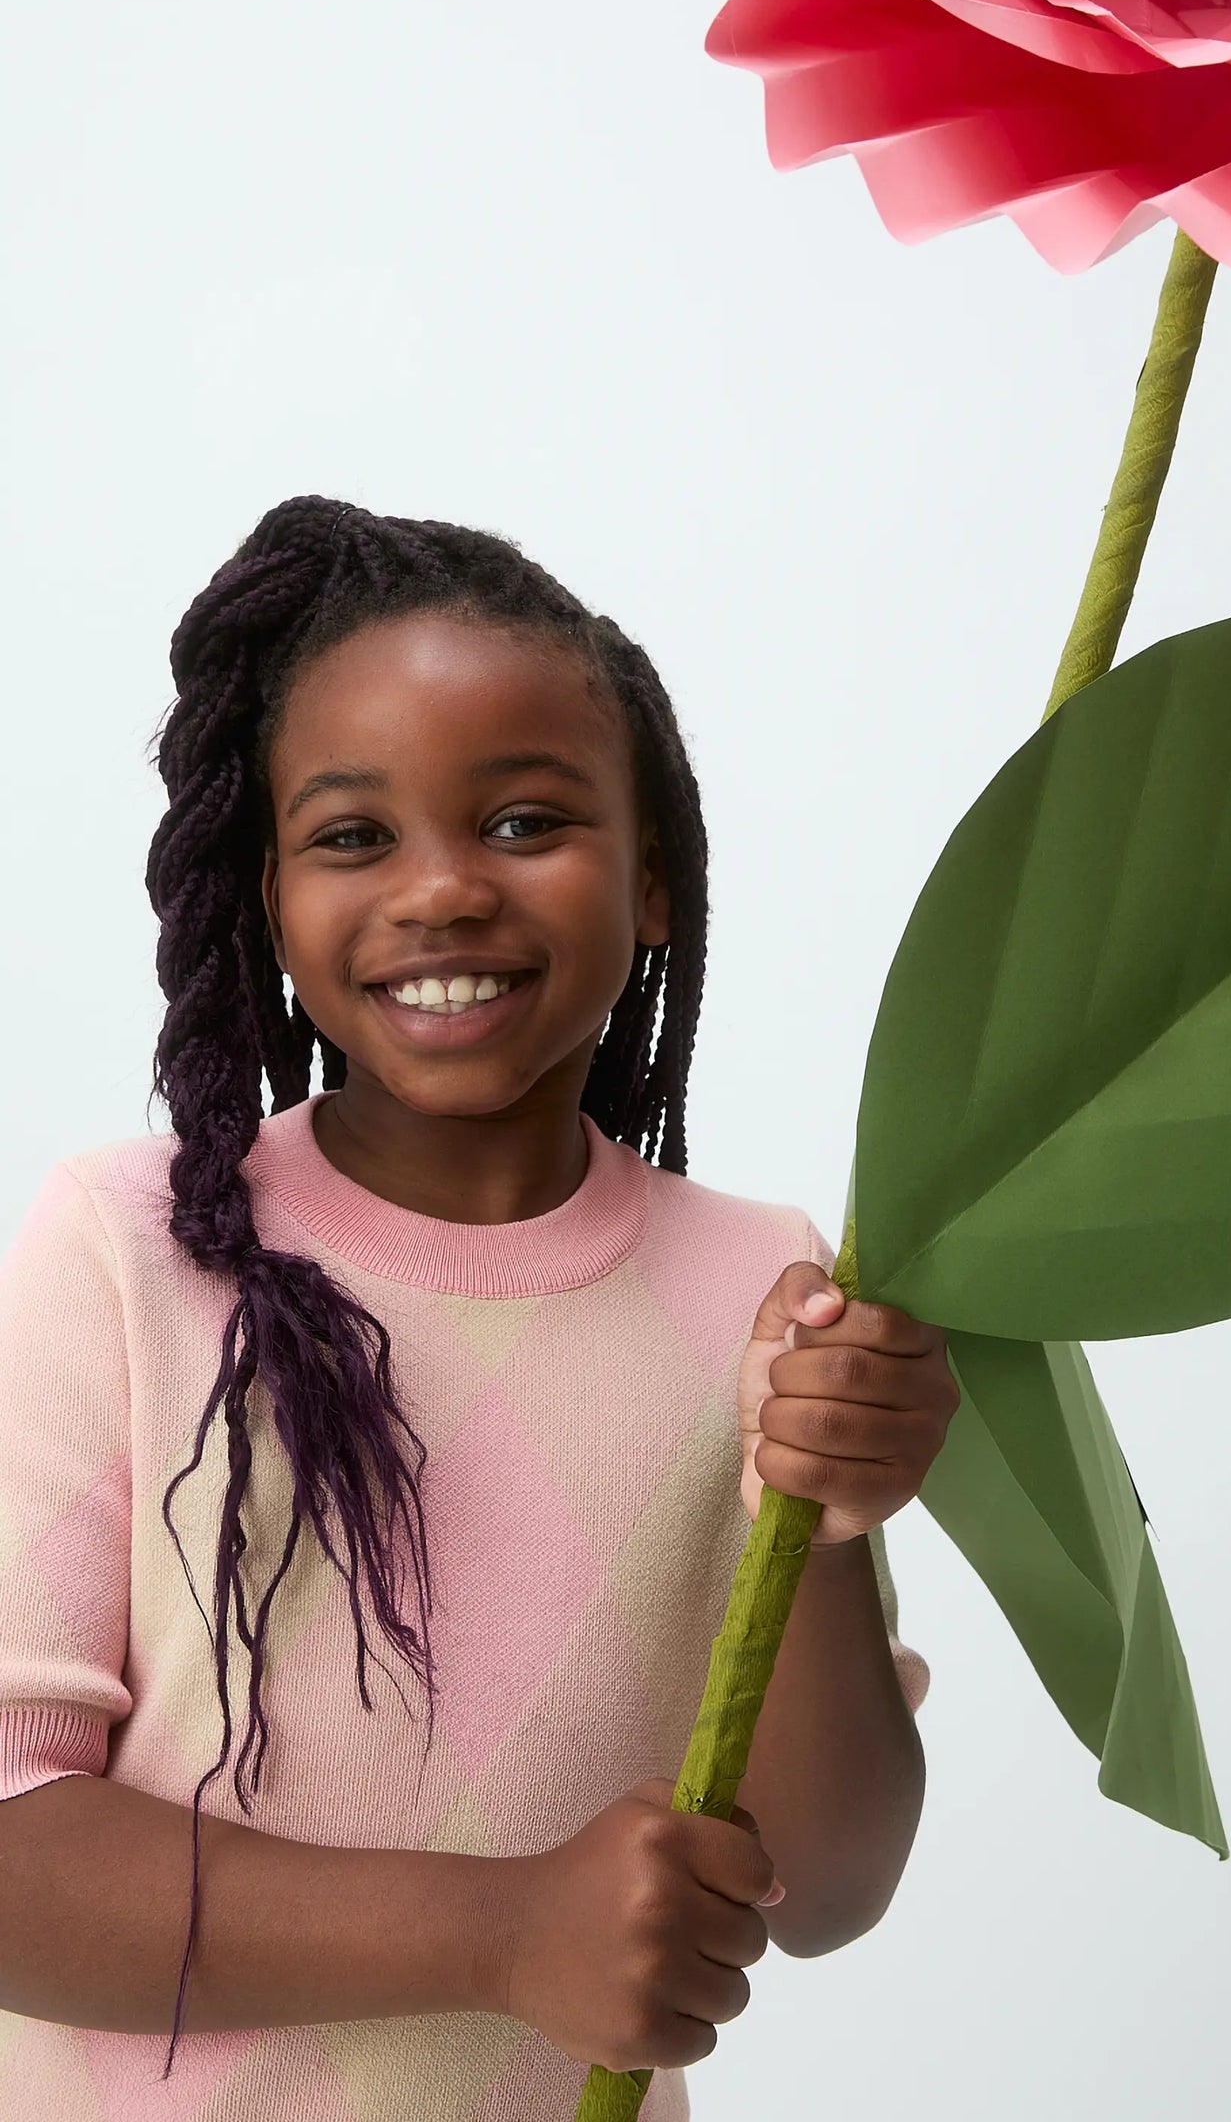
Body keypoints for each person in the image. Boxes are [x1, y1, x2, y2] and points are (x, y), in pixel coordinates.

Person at [0, 496, 946, 2120]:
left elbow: (828, 1884)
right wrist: (504, 1931)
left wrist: (838, 1522)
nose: (440, 891)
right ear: (269, 899)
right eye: (355, 836)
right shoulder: (125, 1248)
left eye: (522, 821)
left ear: (657, 879)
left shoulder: (766, 1281)